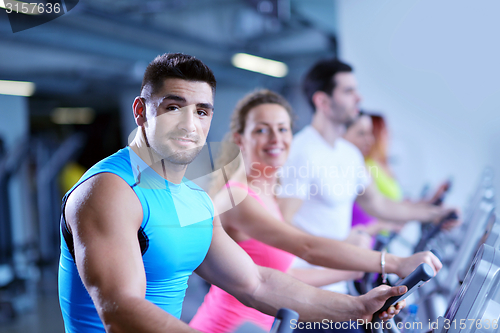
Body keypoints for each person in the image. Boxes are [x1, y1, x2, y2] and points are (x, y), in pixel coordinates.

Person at [58, 53, 410, 333]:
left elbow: (256, 283)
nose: (189, 124)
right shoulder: (110, 190)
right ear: (140, 111)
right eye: (172, 107)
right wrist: (388, 262)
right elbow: (120, 311)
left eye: (201, 111)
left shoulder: (193, 197)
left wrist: (356, 308)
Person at [189, 90, 441, 333]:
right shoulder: (237, 196)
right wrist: (393, 263)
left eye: (282, 129)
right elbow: (306, 247)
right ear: (239, 140)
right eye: (261, 130)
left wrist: (359, 294)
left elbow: (283, 277)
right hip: (225, 326)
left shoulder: (272, 195)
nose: (276, 138)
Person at [277, 58, 459, 332]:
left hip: (340, 286)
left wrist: (436, 214)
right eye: (348, 91)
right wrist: (343, 245)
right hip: (306, 295)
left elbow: (379, 203)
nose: (358, 97)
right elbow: (281, 228)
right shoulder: (302, 152)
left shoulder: (348, 154)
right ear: (323, 101)